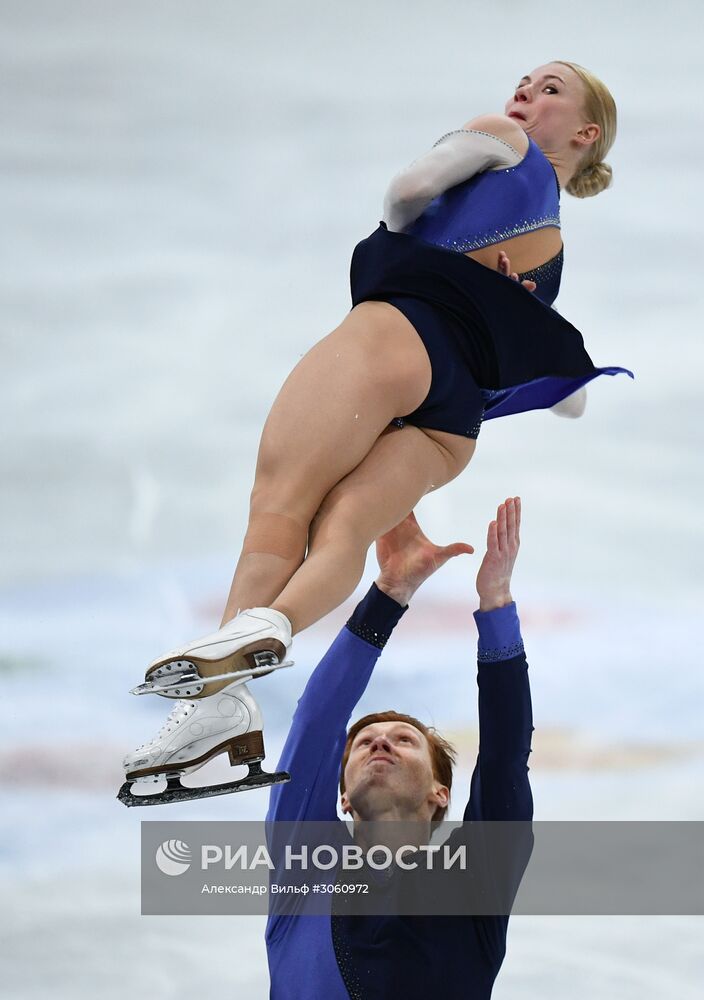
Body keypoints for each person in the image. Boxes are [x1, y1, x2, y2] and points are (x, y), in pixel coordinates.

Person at [120, 61, 629, 802]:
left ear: (585, 132)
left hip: (397, 342)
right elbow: (569, 400)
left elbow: (401, 201)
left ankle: (220, 714)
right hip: (452, 426)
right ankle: (258, 649)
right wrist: (502, 306)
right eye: (522, 82)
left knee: (281, 506)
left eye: (550, 89)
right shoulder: (550, 257)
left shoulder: (501, 142)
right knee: (345, 529)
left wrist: (424, 236)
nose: (524, 94)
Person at [266, 497, 533, 999]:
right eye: (363, 743)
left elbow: (504, 759)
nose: (380, 741)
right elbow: (316, 724)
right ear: (341, 797)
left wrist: (496, 605)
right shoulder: (304, 871)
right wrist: (390, 592)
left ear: (440, 793)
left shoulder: (475, 885)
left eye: (404, 741)